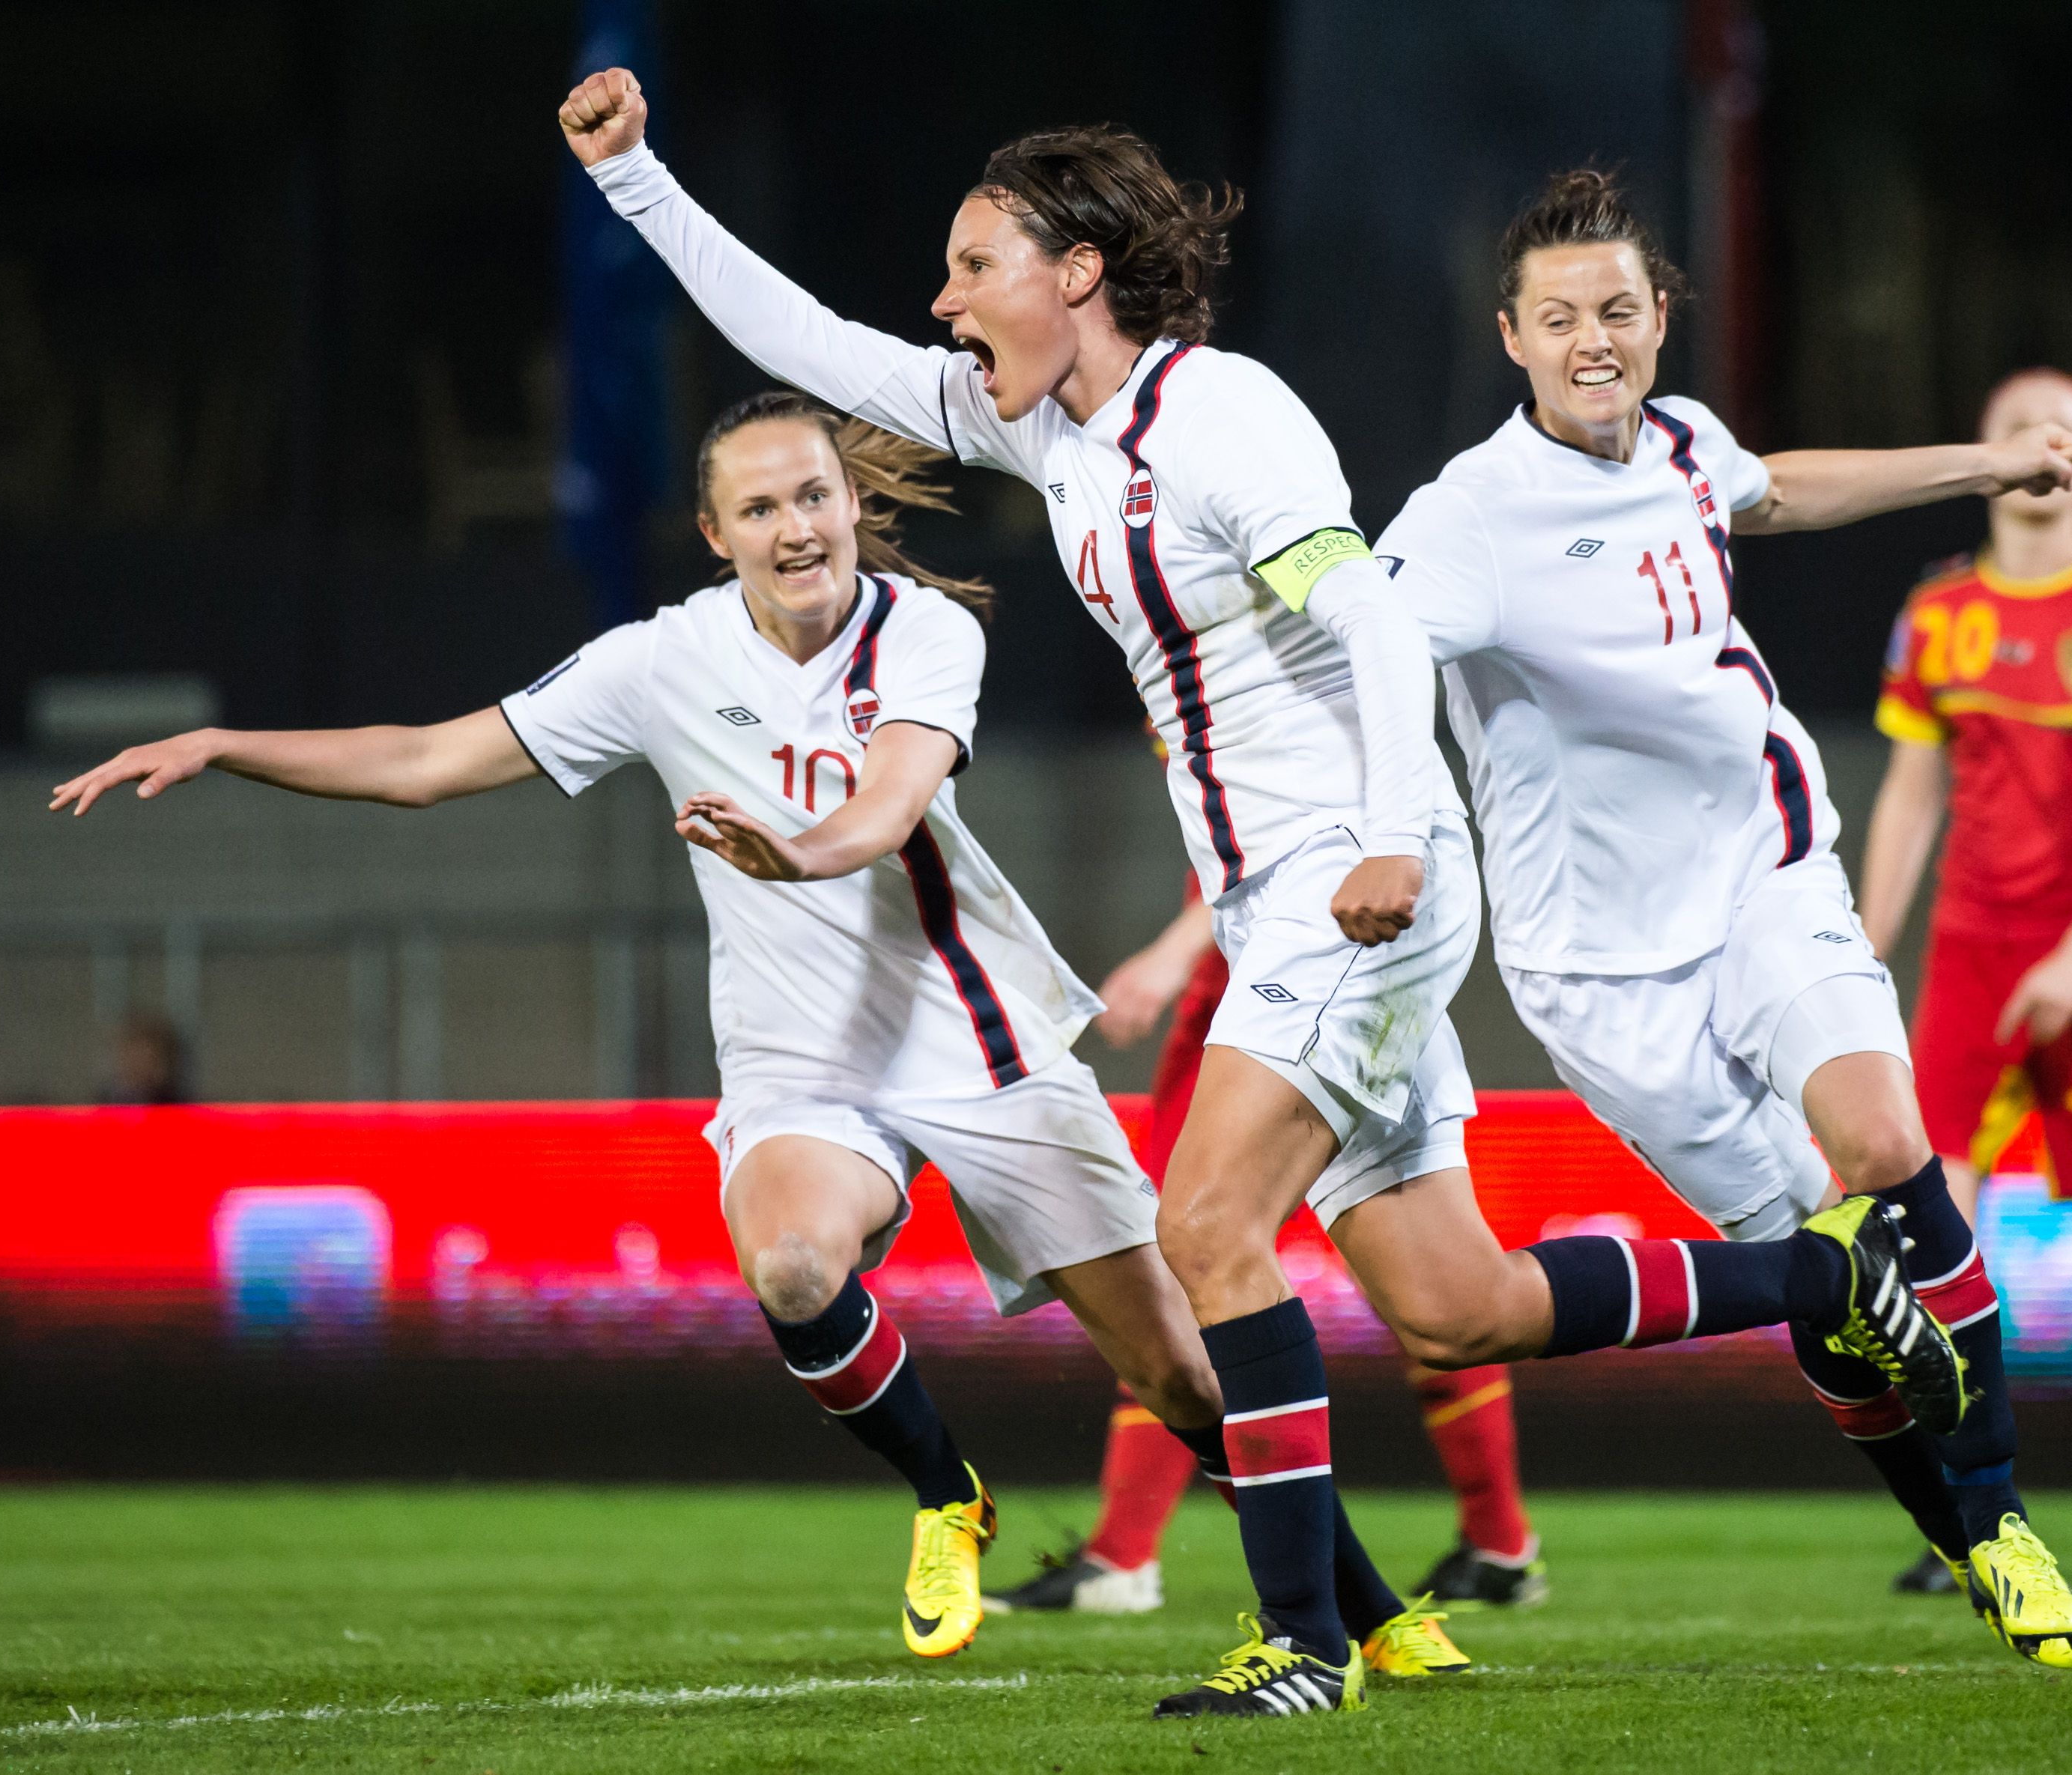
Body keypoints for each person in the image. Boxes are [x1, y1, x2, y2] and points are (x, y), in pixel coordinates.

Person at [558, 70, 1959, 1720]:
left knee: (1206, 1226)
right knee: (1459, 1308)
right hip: (1282, 898)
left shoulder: (1224, 422)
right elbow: (813, 344)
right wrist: (635, 178)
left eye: (974, 264)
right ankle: (1820, 1277)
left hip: (1354, 880)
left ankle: (1304, 1646)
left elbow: (1366, 621)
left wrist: (1388, 834)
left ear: (1075, 273)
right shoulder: (1042, 423)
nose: (943, 302)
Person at [52, 391, 1259, 1666]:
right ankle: (946, 1496)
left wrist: (797, 854)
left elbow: (887, 807)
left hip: (978, 1042)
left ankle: (1354, 1606)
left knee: (1180, 1378)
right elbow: (423, 763)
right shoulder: (659, 662)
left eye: (813, 496)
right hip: (803, 1065)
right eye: (760, 507)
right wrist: (225, 742)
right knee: (792, 1268)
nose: (795, 527)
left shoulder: (924, 629)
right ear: (715, 534)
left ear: (852, 504)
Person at [1374, 169, 2072, 1669]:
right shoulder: (1466, 519)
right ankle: (1955, 1535)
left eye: (1618, 310)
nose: (1593, 340)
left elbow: (1771, 485)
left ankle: (2003, 1516)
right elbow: (1366, 642)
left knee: (1885, 1147)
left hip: (1765, 874)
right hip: (1599, 970)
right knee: (1825, 1282)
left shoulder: (1682, 441)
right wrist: (1370, 813)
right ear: (1510, 337)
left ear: (1660, 317)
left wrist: (1986, 466)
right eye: (1560, 319)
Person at [1862, 367, 2072, 1597]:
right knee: (1929, 1239)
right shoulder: (1938, 610)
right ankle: (1967, 1521)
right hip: (1968, 959)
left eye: (2070, 432)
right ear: (1984, 453)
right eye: (2019, 428)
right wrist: (1861, 944)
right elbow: (1910, 794)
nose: (2044, 447)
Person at [986, 882, 1545, 1618]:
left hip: (1287, 1001)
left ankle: (1125, 1559)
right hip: (1282, 995)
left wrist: (1172, 951)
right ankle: (1498, 1543)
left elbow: (1276, 853)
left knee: (1427, 1296)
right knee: (1397, 1291)